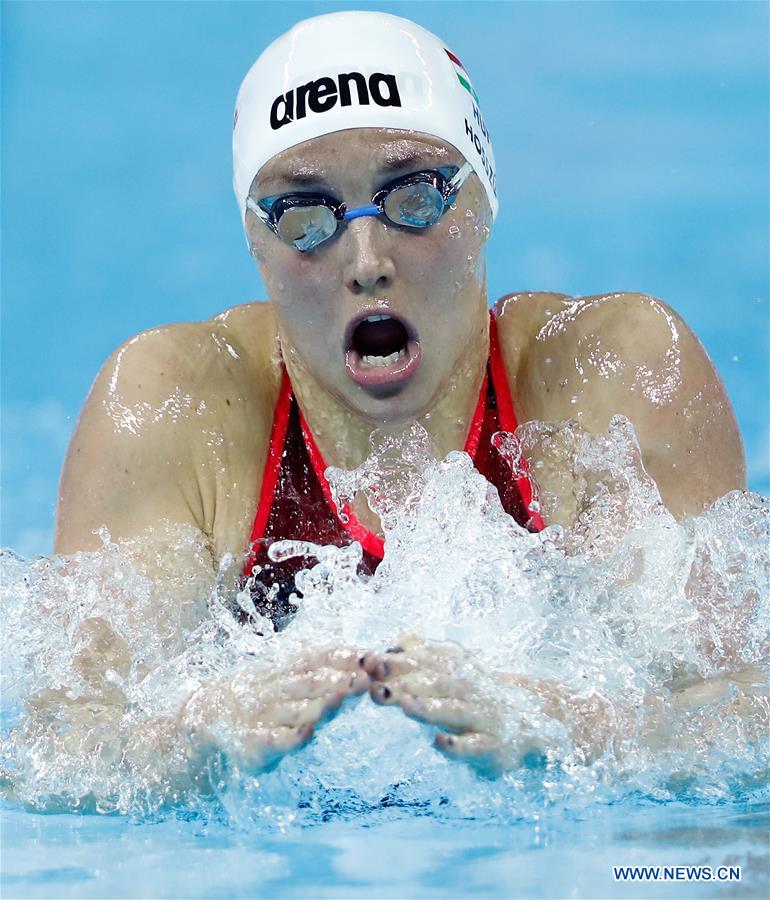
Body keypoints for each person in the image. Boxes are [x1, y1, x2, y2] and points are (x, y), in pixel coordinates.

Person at [52, 12, 748, 778]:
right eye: (305, 216)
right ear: (256, 245)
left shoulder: (610, 381)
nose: (367, 259)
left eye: (414, 197)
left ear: (483, 202)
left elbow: (744, 710)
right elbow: (57, 747)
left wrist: (574, 732)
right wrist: (191, 742)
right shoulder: (174, 410)